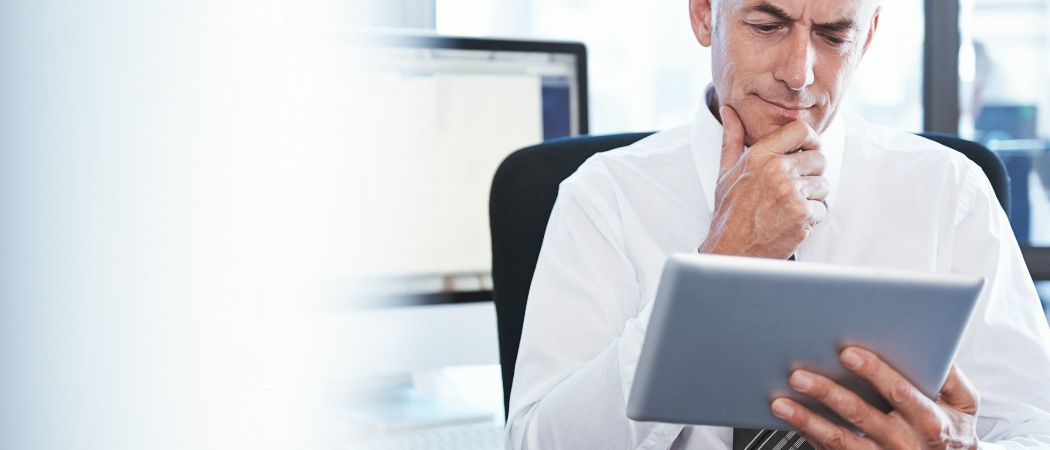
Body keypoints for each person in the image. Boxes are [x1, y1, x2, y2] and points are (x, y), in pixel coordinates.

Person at [505, 0, 1050, 449]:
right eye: (767, 26)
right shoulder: (604, 197)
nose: (799, 74)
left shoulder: (949, 192)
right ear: (704, 15)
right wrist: (720, 268)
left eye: (834, 35)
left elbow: (1036, 428)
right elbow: (535, 443)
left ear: (868, 36)